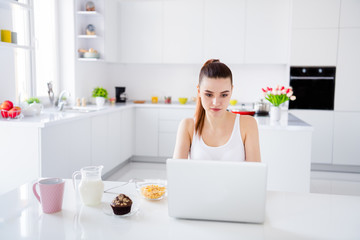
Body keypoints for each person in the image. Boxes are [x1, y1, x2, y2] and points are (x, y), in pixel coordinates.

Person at [173, 59, 261, 162]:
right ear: (199, 91)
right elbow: (177, 173)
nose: (216, 102)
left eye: (224, 95)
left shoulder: (247, 124)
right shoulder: (187, 126)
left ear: (231, 91)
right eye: (209, 95)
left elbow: (254, 174)